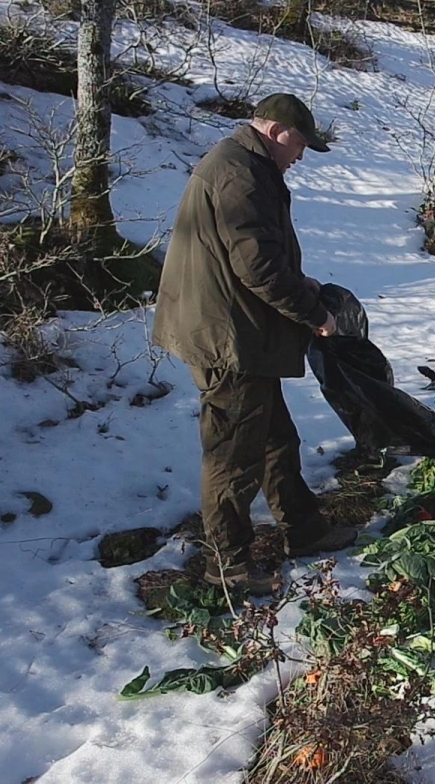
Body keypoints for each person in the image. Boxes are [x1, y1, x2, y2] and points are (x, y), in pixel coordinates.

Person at [153, 93, 357, 595]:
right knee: (233, 456)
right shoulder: (239, 173)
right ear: (279, 132)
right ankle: (229, 566)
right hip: (228, 340)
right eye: (302, 145)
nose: (302, 155)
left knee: (274, 438)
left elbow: (257, 253)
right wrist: (315, 316)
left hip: (241, 332)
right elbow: (255, 267)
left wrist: (301, 282)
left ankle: (304, 528)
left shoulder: (245, 165)